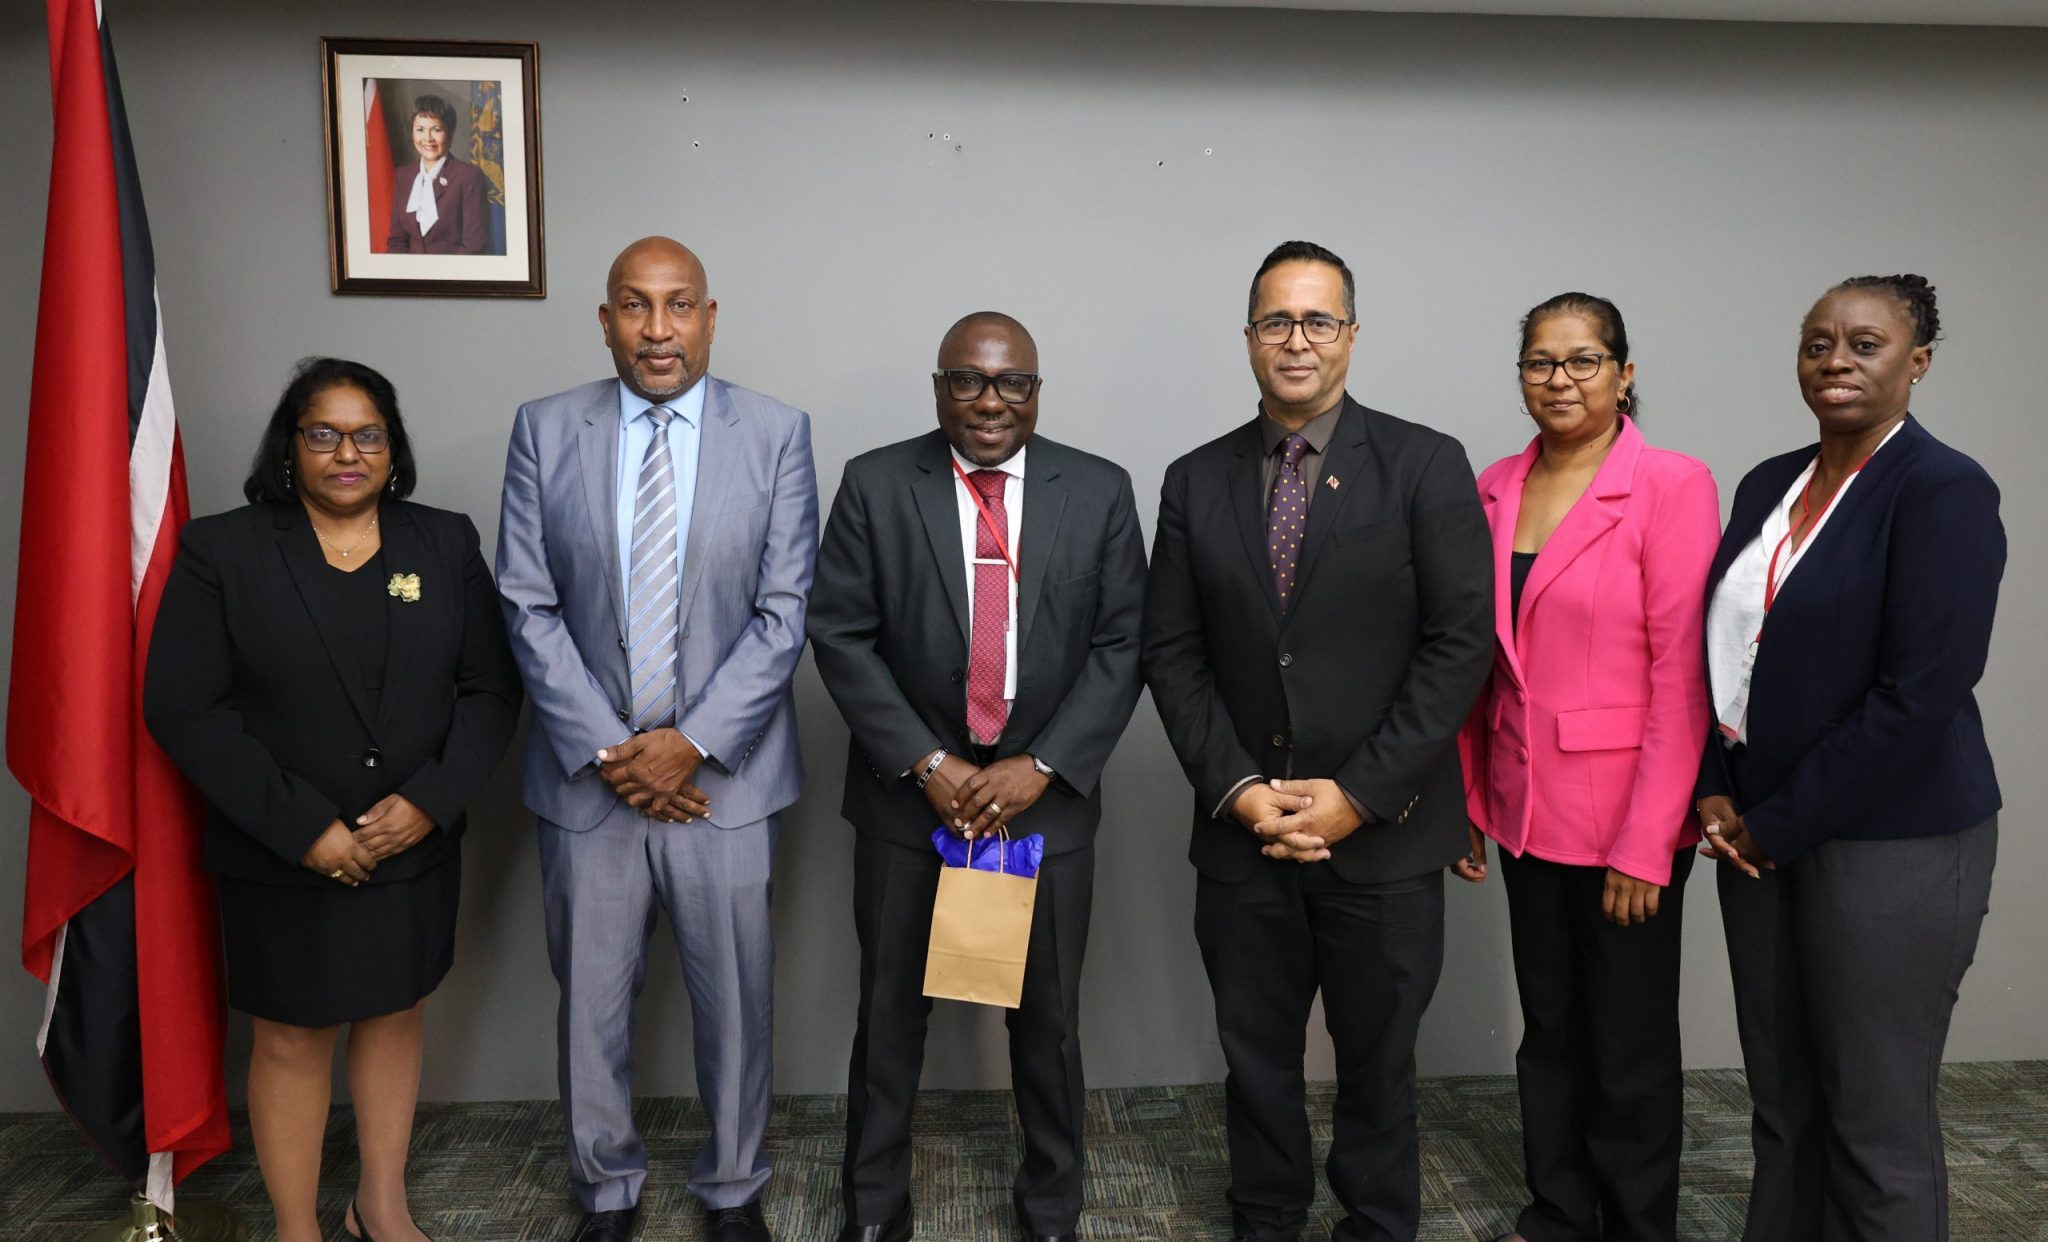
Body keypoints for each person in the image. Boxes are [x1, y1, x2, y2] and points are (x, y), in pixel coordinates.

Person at [1142, 241, 1494, 1242]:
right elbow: (1171, 652)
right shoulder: (1194, 479)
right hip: (1243, 832)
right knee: (1254, 1056)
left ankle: (1376, 1224)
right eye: (1276, 321)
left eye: (1317, 320)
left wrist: (1359, 796)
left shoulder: (1425, 463)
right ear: (1249, 336)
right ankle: (1266, 1217)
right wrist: (1239, 788)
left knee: (1379, 1062)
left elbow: (1458, 644)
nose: (1296, 341)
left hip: (1384, 835)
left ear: (1350, 334)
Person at [142, 357, 521, 1242]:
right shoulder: (223, 550)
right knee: (290, 1036)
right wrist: (301, 825)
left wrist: (428, 803)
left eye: (368, 435)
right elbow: (183, 707)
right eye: (324, 434)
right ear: (290, 448)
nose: (348, 453)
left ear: (393, 448)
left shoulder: (444, 542)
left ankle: (378, 1206)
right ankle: (295, 1227)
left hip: (409, 841)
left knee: (394, 1016)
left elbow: (491, 689)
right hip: (281, 849)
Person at [495, 236, 817, 1242]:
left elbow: (784, 611)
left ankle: (733, 1188)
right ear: (606, 322)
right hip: (589, 785)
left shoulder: (777, 434)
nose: (657, 329)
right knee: (589, 1005)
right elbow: (526, 602)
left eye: (679, 306)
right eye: (635, 306)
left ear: (709, 318)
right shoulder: (546, 429)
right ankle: (605, 1190)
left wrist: (693, 743)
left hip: (726, 782)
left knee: (737, 1003)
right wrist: (611, 750)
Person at [809, 312, 1147, 1242]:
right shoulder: (877, 484)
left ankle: (1052, 1209)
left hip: (1043, 808)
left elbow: (1124, 644)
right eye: (968, 380)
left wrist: (1043, 765)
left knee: (1049, 1026)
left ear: (1036, 392)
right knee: (888, 1021)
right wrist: (927, 762)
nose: (990, 402)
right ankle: (874, 1209)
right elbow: (839, 633)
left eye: (1012, 383)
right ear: (939, 389)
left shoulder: (1100, 489)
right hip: (908, 803)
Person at [1696, 274, 2003, 1242]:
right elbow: (1725, 654)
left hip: (1890, 844)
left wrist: (1775, 823)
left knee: (1874, 1122)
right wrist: (1712, 786)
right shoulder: (1766, 482)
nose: (1835, 361)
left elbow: (1920, 694)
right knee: (1783, 1107)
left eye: (1864, 345)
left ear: (1917, 362)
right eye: (1817, 342)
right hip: (1754, 834)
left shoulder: (1942, 489)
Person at [1453, 294, 1720, 1242]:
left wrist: (1649, 844)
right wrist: (1467, 797)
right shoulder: (1492, 486)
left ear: (1623, 372)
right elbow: (1471, 658)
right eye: (1539, 362)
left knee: (1629, 1044)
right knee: (1552, 1029)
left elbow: (1681, 678)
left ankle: (1640, 1224)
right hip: (1524, 809)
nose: (1559, 379)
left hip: (1625, 822)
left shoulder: (1673, 484)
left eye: (1583, 360)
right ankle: (1559, 1212)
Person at [384, 93, 488, 255]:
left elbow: (473, 247)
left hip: (454, 270)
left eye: (436, 130)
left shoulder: (468, 176)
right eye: (420, 130)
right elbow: (397, 241)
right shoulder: (403, 175)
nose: (427, 138)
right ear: (412, 133)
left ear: (450, 134)